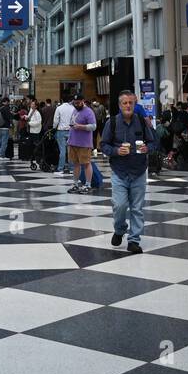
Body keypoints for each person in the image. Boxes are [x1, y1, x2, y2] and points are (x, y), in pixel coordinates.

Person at [100, 90, 157, 253]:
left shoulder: (141, 121)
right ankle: (119, 229)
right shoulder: (111, 123)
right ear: (119, 105)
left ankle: (134, 240)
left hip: (139, 170)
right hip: (120, 171)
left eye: (130, 103)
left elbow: (153, 142)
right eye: (124, 103)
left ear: (135, 104)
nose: (128, 105)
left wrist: (148, 148)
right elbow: (104, 145)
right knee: (120, 205)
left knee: (137, 208)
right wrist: (117, 151)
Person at [66, 95, 98, 194]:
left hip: (84, 143)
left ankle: (88, 185)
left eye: (78, 102)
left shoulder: (89, 112)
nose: (76, 104)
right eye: (75, 103)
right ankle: (75, 184)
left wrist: (81, 126)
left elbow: (93, 126)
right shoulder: (75, 110)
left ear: (83, 101)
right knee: (75, 163)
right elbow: (73, 123)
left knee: (86, 163)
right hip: (73, 142)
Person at [52, 95, 76, 175]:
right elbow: (74, 120)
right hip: (71, 131)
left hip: (61, 131)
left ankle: (60, 169)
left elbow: (56, 120)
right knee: (71, 151)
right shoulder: (73, 108)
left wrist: (54, 128)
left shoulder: (59, 108)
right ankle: (72, 169)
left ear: (62, 100)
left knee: (62, 150)